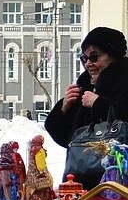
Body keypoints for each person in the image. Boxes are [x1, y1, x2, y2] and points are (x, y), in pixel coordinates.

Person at [44, 26, 128, 188]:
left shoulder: (124, 83)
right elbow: (68, 140)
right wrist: (63, 109)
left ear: (114, 57)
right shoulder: (83, 88)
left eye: (94, 57)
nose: (88, 63)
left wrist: (99, 104)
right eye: (84, 59)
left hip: (118, 185)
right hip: (78, 185)